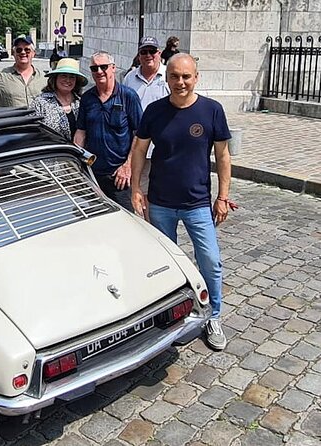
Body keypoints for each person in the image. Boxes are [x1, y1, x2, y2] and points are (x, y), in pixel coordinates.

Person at [130, 53, 232, 351]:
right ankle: (172, 317)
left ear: (196, 77)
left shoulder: (212, 110)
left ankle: (213, 315)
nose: (181, 82)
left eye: (186, 76)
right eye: (175, 76)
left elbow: (223, 156)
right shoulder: (154, 111)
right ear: (167, 78)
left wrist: (223, 197)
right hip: (160, 202)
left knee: (210, 261)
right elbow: (139, 150)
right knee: (165, 265)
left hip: (198, 203)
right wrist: (137, 187)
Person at [73, 51, 142, 211]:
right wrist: (78, 163)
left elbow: (140, 134)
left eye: (103, 67)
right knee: (98, 219)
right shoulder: (87, 98)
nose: (99, 72)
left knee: (125, 222)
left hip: (119, 176)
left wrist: (128, 166)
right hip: (94, 174)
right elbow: (81, 132)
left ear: (113, 68)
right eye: (94, 68)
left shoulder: (128, 96)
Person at [123, 36, 170, 220]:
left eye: (152, 51)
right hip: (138, 147)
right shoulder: (130, 78)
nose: (148, 55)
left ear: (159, 53)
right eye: (144, 51)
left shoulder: (168, 75)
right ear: (139, 54)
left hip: (163, 147)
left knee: (161, 192)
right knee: (139, 190)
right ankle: (146, 227)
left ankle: (159, 227)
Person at [30, 58, 88, 141]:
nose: (68, 80)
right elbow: (32, 132)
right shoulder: (40, 102)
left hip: (79, 152)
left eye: (72, 77)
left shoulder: (81, 102)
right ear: (55, 78)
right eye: (63, 75)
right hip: (52, 152)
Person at [0, 35, 47, 107]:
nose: (23, 52)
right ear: (14, 53)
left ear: (33, 53)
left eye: (27, 50)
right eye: (19, 50)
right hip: (11, 118)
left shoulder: (44, 78)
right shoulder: (0, 76)